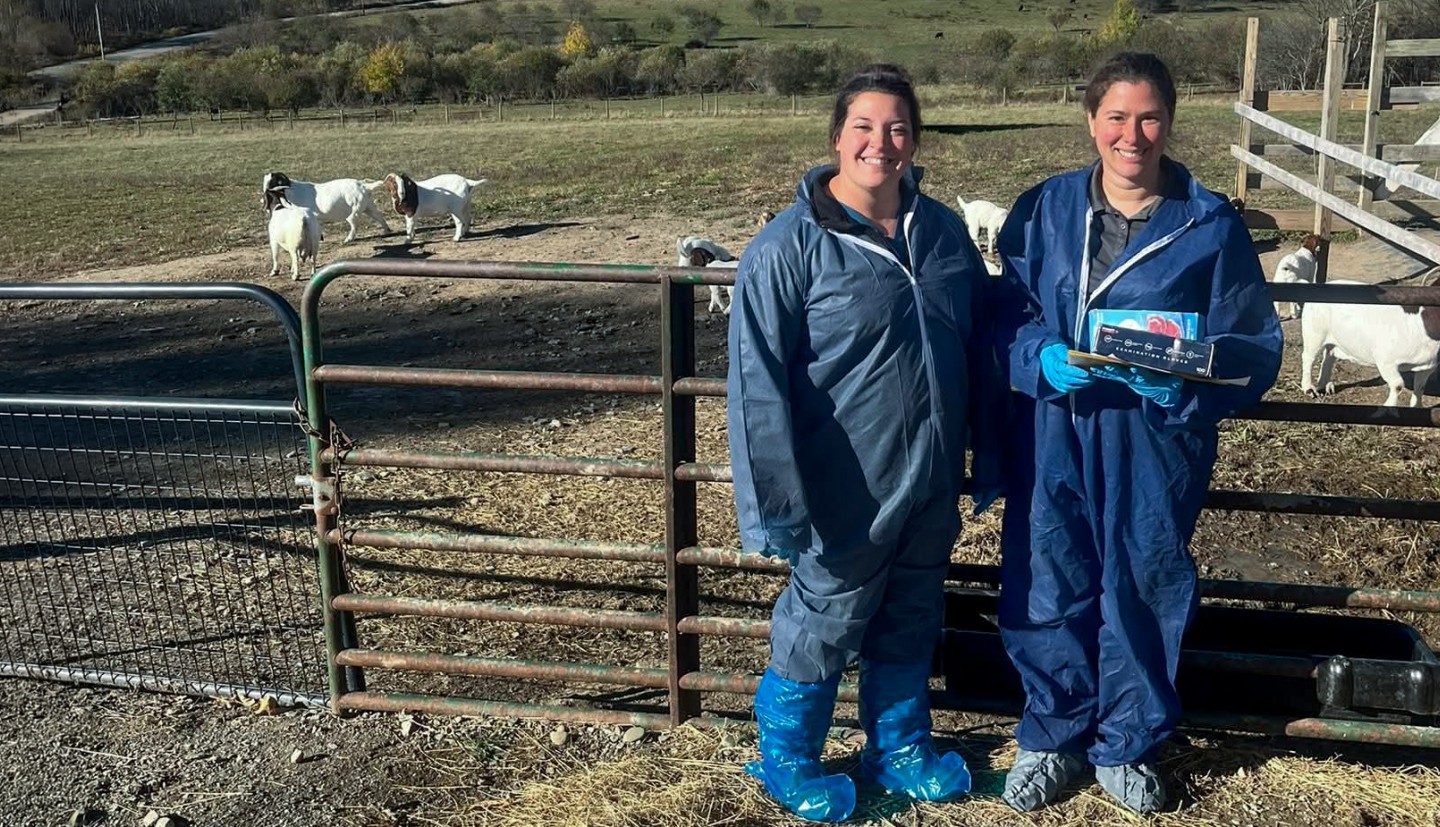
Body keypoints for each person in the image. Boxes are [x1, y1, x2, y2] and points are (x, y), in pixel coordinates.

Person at [991, 52, 1282, 814]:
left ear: (1171, 122)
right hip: (1056, 426)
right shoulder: (1043, 211)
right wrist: (1037, 356)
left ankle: (1126, 744)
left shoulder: (1210, 224)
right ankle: (1053, 735)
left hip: (1154, 437)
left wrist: (1188, 373)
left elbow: (1254, 343)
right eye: (1116, 116)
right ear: (1091, 122)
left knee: (1144, 581)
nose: (1132, 133)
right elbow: (1006, 312)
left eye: (1148, 116)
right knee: (1049, 573)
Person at [726, 64, 1003, 822]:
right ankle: (787, 757)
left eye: (898, 128)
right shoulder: (788, 250)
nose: (881, 143)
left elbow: (978, 345)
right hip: (842, 478)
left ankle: (899, 745)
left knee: (913, 610)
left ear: (914, 139)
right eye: (863, 127)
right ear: (836, 138)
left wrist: (988, 451)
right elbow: (756, 384)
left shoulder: (943, 234)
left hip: (932, 474)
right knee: (824, 616)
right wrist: (777, 501)